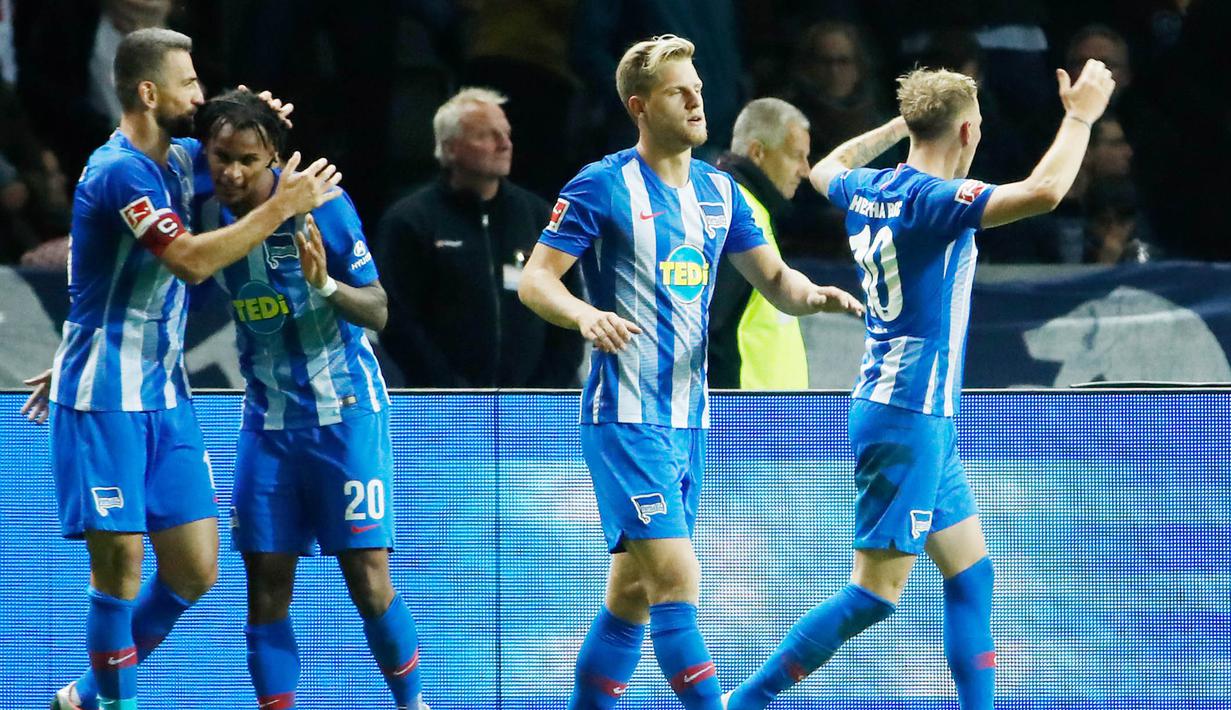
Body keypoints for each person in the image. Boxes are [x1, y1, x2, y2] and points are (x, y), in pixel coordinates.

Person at [725, 61, 1114, 710]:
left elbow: (825, 167)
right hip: (907, 416)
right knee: (873, 595)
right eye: (978, 129)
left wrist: (898, 124)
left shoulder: (868, 187)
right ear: (967, 130)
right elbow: (1045, 191)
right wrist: (1080, 115)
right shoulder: (936, 203)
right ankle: (743, 702)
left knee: (971, 575)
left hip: (908, 412)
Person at [517, 35, 863, 710]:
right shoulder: (601, 183)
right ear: (640, 107)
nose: (697, 100)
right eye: (681, 92)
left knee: (631, 599)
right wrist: (584, 317)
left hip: (688, 421)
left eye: (699, 88)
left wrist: (813, 295)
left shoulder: (719, 193)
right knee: (677, 583)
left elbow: (776, 282)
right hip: (624, 417)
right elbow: (535, 280)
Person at [19, 28, 341, 710]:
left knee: (194, 570)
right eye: (189, 83)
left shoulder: (179, 157)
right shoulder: (120, 173)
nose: (198, 94)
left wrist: (256, 120)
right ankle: (116, 703)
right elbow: (191, 259)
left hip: (165, 393)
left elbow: (230, 157)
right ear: (148, 92)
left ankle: (83, 694)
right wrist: (283, 206)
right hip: (105, 397)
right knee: (121, 568)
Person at [193, 89, 428, 710]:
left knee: (367, 580)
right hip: (266, 424)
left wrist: (324, 284)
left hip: (344, 418)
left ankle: (413, 704)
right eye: (222, 157)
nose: (233, 173)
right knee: (266, 585)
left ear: (275, 154)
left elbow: (377, 309)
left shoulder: (322, 205)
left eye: (249, 159)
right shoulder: (203, 204)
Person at [376, 87, 583, 388]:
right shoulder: (410, 221)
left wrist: (544, 388)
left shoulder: (539, 217)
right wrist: (448, 388)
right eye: (487, 135)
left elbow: (569, 308)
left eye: (506, 133)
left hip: (534, 404)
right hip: (443, 406)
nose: (505, 144)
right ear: (449, 148)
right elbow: (397, 320)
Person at [709, 98, 812, 389]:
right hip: (746, 415)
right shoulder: (739, 212)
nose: (805, 170)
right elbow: (714, 327)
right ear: (757, 152)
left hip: (761, 414)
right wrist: (725, 414)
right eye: (796, 156)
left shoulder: (746, 205)